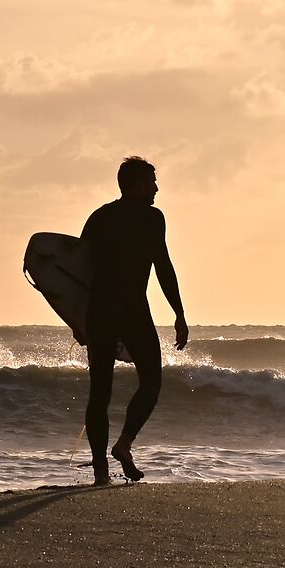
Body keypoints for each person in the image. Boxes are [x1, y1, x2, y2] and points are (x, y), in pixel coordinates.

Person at [79, 155, 188, 485]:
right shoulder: (146, 219)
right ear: (135, 184)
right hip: (127, 312)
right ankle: (119, 449)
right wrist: (179, 313)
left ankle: (105, 466)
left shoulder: (104, 217)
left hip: (105, 313)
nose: (156, 188)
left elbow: (78, 273)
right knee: (146, 384)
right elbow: (163, 266)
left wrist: (77, 319)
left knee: (105, 392)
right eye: (151, 181)